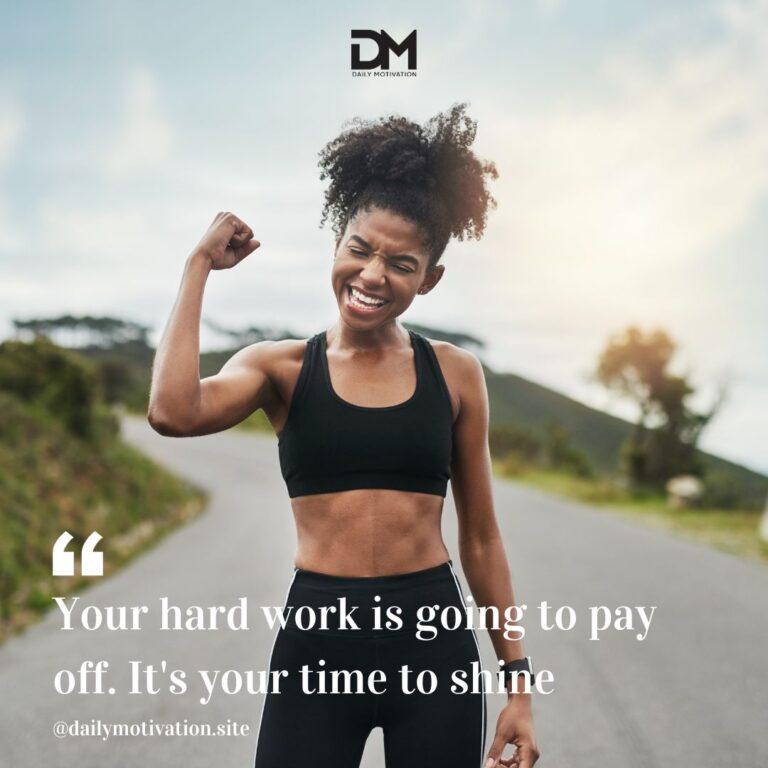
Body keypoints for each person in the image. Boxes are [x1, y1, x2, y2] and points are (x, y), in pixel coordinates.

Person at [147, 103, 540, 768]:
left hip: (433, 646)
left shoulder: (456, 376)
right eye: (359, 249)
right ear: (337, 243)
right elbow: (172, 411)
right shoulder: (281, 368)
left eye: (401, 263)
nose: (372, 275)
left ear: (430, 278)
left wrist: (519, 684)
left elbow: (480, 537)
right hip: (317, 645)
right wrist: (196, 268)